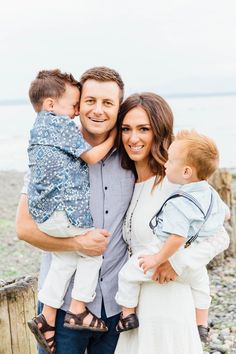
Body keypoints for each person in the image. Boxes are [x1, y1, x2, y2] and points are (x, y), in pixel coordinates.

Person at [16, 68, 229, 354]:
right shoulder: (51, 155)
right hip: (64, 307)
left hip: (119, 311)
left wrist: (177, 262)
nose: (98, 110)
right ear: (77, 106)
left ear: (118, 108)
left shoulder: (139, 165)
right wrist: (77, 243)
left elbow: (215, 227)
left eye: (108, 103)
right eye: (90, 101)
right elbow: (23, 229)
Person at [113, 93, 229, 354]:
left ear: (161, 132)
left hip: (170, 302)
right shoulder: (126, 184)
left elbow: (221, 237)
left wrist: (177, 263)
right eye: (126, 129)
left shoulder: (176, 185)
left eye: (144, 129)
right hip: (138, 307)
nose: (133, 138)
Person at [27, 69, 118, 353]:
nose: (84, 111)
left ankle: (48, 316)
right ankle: (78, 308)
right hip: (64, 314)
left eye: (108, 103)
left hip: (113, 309)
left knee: (66, 261)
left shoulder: (39, 131)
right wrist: (116, 136)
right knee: (92, 250)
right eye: (83, 102)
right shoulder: (60, 134)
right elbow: (22, 229)